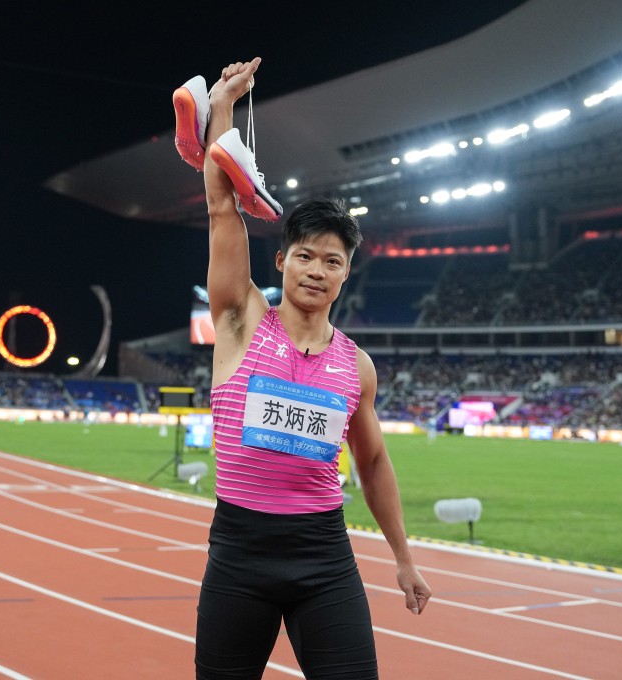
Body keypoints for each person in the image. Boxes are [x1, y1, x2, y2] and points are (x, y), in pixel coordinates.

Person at [185, 58, 431, 679]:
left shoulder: (358, 366)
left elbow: (373, 462)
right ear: (282, 263)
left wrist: (403, 556)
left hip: (323, 555)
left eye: (332, 261)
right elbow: (222, 210)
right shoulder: (240, 321)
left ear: (347, 274)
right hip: (240, 551)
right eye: (305, 256)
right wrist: (222, 107)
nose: (317, 270)